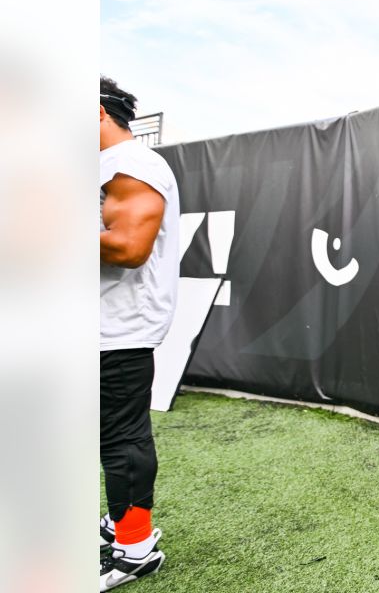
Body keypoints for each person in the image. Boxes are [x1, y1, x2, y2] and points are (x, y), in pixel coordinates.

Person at [99, 77, 180, 589]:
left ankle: (135, 548)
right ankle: (118, 524)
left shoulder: (134, 164)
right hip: (89, 323)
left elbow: (129, 247)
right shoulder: (99, 167)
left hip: (119, 327)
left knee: (120, 435)